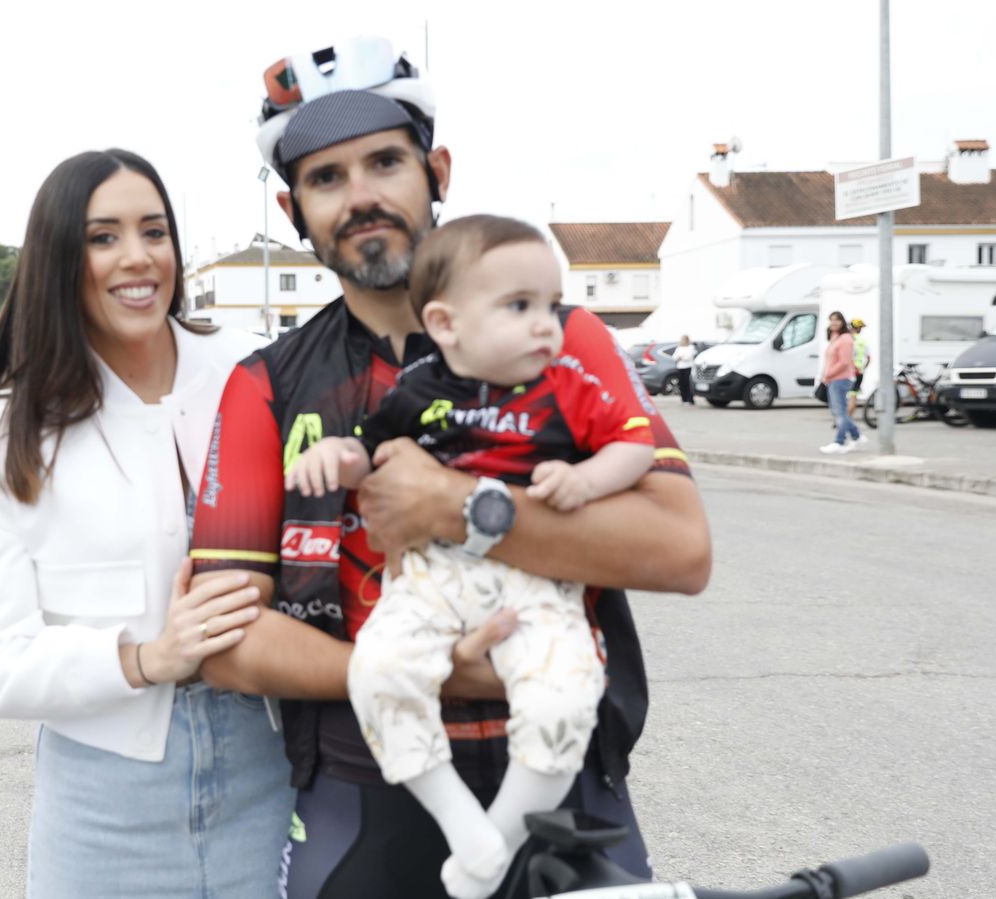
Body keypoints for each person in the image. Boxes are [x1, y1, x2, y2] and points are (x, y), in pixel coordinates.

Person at [187, 37, 711, 898]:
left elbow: (681, 549)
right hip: (362, 788)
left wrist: (460, 504)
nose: (361, 197)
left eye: (385, 162)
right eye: (325, 178)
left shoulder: (562, 338)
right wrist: (450, 668)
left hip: (563, 783)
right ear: (294, 212)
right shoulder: (267, 385)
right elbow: (228, 644)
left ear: (438, 169)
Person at [0, 148, 292, 896]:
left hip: (275, 768)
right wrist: (146, 657)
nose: (137, 257)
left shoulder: (254, 372)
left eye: (154, 231)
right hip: (104, 801)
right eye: (103, 237)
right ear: (61, 257)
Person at [283, 216, 655, 898]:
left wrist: (588, 478)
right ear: (446, 324)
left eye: (551, 303)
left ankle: (500, 837)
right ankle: (463, 822)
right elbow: (367, 449)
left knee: (567, 693)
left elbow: (636, 446)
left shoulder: (569, 383)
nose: (548, 324)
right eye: (520, 306)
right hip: (434, 577)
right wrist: (333, 456)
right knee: (380, 670)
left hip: (536, 582)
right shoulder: (419, 387)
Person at [820, 311, 863, 454]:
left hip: (841, 379)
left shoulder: (845, 339)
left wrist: (828, 374)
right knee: (839, 411)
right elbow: (829, 360)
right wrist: (824, 375)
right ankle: (857, 435)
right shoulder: (835, 337)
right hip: (834, 379)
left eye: (837, 320)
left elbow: (844, 362)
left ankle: (839, 441)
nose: (834, 323)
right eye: (831, 320)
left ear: (843, 322)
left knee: (840, 412)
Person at [847, 317, 870, 420]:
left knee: (842, 396)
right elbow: (869, 358)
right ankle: (847, 418)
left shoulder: (847, 339)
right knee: (853, 396)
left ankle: (842, 419)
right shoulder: (863, 341)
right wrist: (862, 368)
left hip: (846, 372)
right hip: (858, 372)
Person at [674, 334, 697, 405]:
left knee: (688, 383)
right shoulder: (679, 348)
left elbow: (687, 357)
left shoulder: (691, 347)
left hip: (688, 367)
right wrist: (680, 357)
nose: (682, 341)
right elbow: (674, 357)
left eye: (683, 339)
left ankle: (690, 399)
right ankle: (683, 399)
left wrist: (680, 357)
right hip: (680, 367)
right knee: (681, 384)